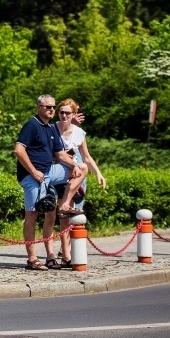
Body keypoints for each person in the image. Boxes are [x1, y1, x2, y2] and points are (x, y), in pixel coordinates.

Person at [13, 94, 87, 271]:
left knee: (82, 168)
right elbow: (18, 150)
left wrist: (74, 165)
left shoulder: (51, 129)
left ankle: (65, 204)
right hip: (32, 176)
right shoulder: (32, 125)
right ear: (39, 108)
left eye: (53, 107)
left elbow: (60, 154)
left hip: (49, 172)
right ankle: (32, 259)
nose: (52, 110)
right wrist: (33, 171)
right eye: (48, 107)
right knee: (32, 215)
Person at [45, 99, 107, 269]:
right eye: (61, 112)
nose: (64, 115)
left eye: (67, 113)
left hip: (69, 178)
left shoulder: (79, 133)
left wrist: (99, 174)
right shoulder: (51, 129)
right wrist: (73, 164)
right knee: (50, 216)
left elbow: (86, 156)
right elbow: (57, 155)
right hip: (53, 174)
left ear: (73, 114)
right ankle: (50, 255)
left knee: (65, 219)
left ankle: (66, 255)